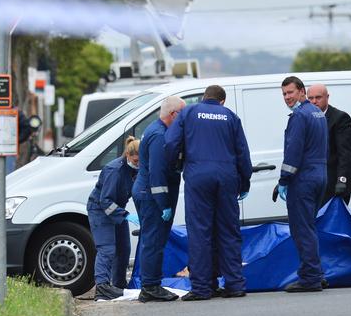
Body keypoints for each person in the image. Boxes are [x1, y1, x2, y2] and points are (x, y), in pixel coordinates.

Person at [165, 85, 253, 301]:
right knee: (229, 232)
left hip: (198, 176)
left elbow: (170, 142)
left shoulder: (189, 112)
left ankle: (203, 287)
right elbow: (243, 152)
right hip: (226, 177)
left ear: (204, 97)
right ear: (222, 101)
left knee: (200, 232)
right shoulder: (230, 116)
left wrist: (175, 165)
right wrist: (244, 182)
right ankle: (234, 285)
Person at [273, 76, 329, 292]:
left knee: (302, 230)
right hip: (319, 175)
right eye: (284, 94)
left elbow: (293, 152)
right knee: (310, 228)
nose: (287, 97)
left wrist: (283, 181)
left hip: (304, 178)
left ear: (302, 91)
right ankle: (317, 273)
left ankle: (310, 278)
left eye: (290, 92)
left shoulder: (299, 116)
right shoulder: (317, 114)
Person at [132, 96, 186, 302]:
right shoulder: (159, 136)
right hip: (152, 196)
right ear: (173, 115)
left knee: (153, 240)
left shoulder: (156, 130)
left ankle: (152, 284)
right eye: (182, 114)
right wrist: (163, 203)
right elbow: (157, 173)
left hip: (149, 194)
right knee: (153, 241)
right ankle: (151, 287)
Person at [87, 136, 140, 300]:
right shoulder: (114, 170)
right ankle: (102, 287)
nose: (139, 163)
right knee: (107, 249)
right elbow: (105, 201)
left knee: (124, 249)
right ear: (128, 156)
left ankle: (118, 285)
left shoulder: (135, 170)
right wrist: (125, 215)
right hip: (100, 210)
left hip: (117, 210)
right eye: (136, 160)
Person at [306, 83, 351, 206]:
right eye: (310, 98)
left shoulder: (340, 118)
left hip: (335, 182)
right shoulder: (307, 118)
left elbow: (345, 154)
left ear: (327, 97)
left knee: (332, 222)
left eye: (318, 97)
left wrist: (341, 180)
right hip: (316, 182)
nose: (314, 101)